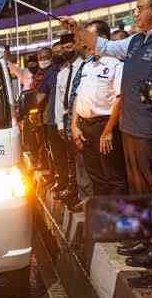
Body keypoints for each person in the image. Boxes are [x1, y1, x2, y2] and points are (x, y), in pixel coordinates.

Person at [64, 0, 152, 268]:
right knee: (139, 190)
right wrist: (78, 29)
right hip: (132, 129)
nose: (136, 13)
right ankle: (147, 238)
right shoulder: (135, 42)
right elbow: (103, 46)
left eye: (139, 8)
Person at [70, 21, 127, 197]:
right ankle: (102, 216)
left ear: (100, 38)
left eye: (88, 36)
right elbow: (79, 96)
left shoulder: (116, 64)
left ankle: (117, 219)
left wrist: (109, 130)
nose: (85, 42)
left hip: (105, 126)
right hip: (85, 127)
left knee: (113, 177)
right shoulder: (88, 65)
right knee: (96, 177)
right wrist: (74, 125)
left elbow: (120, 99)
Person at [54, 34, 88, 209]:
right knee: (72, 158)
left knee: (83, 159)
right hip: (67, 120)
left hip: (81, 118)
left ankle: (84, 195)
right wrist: (60, 123)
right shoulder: (62, 72)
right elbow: (59, 101)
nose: (66, 50)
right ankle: (76, 191)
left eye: (69, 47)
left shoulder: (84, 67)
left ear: (76, 45)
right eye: (64, 47)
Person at [38, 40, 68, 194]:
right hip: (53, 120)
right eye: (55, 52)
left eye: (60, 51)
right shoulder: (51, 73)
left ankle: (67, 185)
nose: (58, 55)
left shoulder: (70, 70)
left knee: (67, 157)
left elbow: (39, 98)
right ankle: (62, 182)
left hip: (67, 122)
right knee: (58, 155)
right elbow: (40, 96)